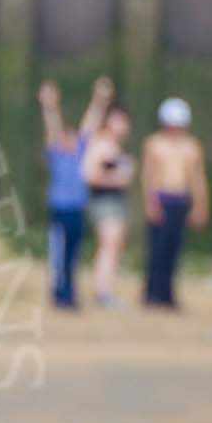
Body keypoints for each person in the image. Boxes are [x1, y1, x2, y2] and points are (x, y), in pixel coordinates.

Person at [37, 76, 112, 310]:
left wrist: (100, 100)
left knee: (73, 254)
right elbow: (52, 125)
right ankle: (58, 293)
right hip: (59, 208)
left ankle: (70, 293)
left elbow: (90, 123)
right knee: (58, 254)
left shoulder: (80, 151)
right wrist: (49, 105)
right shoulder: (56, 153)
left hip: (77, 208)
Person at [140, 96, 209, 310]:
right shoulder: (154, 144)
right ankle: (152, 292)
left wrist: (200, 205)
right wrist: (150, 203)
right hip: (161, 197)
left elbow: (198, 179)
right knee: (156, 249)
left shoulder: (192, 147)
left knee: (174, 249)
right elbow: (148, 175)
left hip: (181, 200)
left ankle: (168, 294)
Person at [80, 100, 137, 308]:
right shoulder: (101, 143)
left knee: (114, 247)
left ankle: (106, 289)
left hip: (116, 200)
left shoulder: (116, 146)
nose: (122, 125)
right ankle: (102, 292)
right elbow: (89, 175)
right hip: (105, 200)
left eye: (125, 121)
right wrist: (118, 178)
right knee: (108, 246)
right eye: (118, 119)